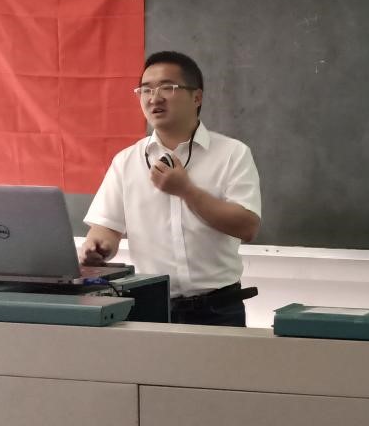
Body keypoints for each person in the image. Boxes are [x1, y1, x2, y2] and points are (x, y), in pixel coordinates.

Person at [81, 50, 261, 326]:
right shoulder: (126, 161)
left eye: (167, 87)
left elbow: (246, 226)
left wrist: (187, 191)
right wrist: (97, 247)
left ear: (197, 97)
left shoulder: (232, 154)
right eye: (146, 89)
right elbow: (106, 228)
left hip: (219, 309)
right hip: (150, 306)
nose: (154, 98)